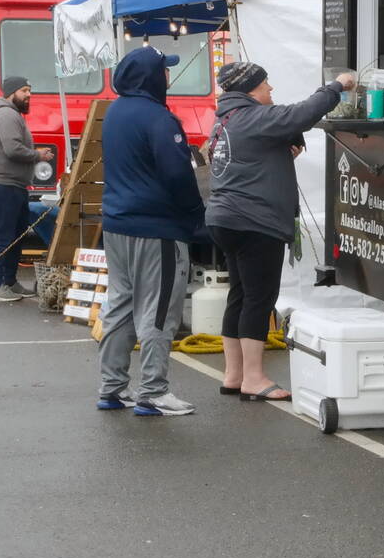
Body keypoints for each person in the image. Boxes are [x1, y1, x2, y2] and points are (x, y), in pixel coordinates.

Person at [206, 61, 357, 399]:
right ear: (249, 90)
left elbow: (263, 147)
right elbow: (301, 114)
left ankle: (234, 375)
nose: (270, 89)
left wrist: (285, 147)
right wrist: (338, 85)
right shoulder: (254, 118)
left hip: (224, 219)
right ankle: (255, 379)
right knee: (259, 299)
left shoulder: (225, 121)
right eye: (265, 84)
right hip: (254, 222)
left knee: (241, 295)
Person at [92, 45, 207, 416]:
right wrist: (196, 214)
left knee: (120, 305)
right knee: (158, 310)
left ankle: (112, 387)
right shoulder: (159, 118)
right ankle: (153, 391)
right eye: (164, 70)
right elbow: (177, 173)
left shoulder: (116, 112)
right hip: (157, 227)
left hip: (117, 223)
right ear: (153, 76)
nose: (168, 76)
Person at [0, 75, 51, 300]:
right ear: (11, 93)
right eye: (24, 91)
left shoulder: (13, 115)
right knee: (2, 234)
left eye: (29, 90)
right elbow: (13, 150)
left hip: (14, 184)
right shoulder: (7, 115)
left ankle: (11, 281)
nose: (28, 95)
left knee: (17, 234)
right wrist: (37, 155)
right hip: (2, 183)